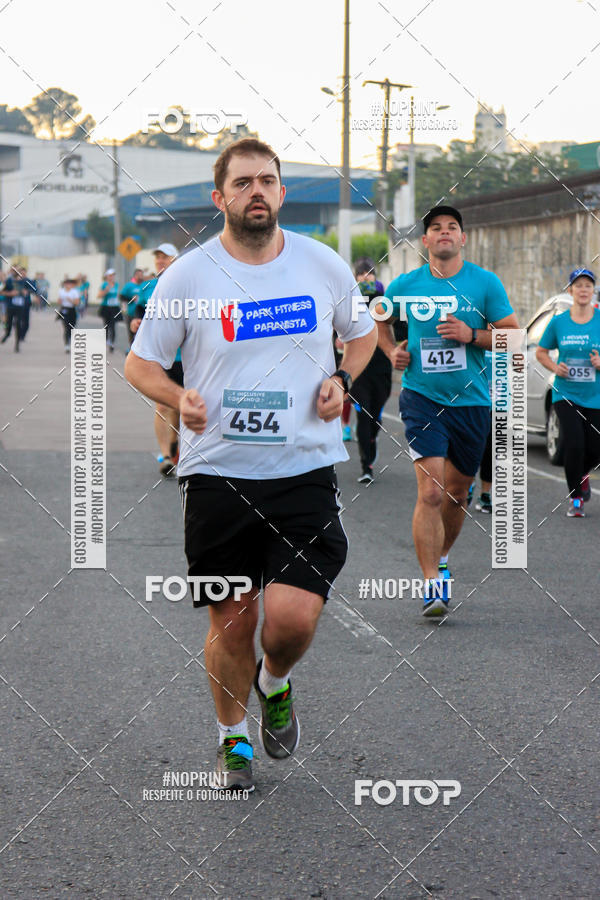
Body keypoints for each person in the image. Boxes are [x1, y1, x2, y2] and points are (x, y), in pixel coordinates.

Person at [125, 138, 376, 791]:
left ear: (282, 192)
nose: (256, 191)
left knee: (291, 620)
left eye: (267, 180)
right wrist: (178, 397)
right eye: (243, 183)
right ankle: (231, 739)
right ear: (221, 197)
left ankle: (276, 681)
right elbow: (140, 362)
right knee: (229, 618)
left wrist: (343, 379)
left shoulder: (322, 265)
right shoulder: (188, 276)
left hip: (304, 468)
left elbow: (364, 331)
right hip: (216, 474)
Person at [375, 205, 519, 616]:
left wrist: (471, 335)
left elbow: (513, 338)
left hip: (472, 401)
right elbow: (376, 317)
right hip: (422, 398)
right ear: (424, 241)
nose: (443, 233)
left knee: (457, 494)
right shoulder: (406, 284)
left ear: (462, 238)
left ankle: (441, 560)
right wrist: (391, 350)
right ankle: (431, 584)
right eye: (435, 228)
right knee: (432, 490)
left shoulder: (484, 283)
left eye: (451, 227)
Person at [536, 267, 600, 517]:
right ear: (570, 290)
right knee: (573, 444)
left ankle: (582, 476)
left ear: (593, 290)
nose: (583, 290)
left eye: (588, 285)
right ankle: (576, 500)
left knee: (595, 448)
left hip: (596, 395)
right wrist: (555, 367)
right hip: (566, 393)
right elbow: (541, 352)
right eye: (578, 285)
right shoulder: (559, 322)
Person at [129, 246, 180, 474]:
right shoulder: (148, 287)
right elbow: (139, 313)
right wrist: (135, 322)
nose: (160, 261)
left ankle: (175, 445)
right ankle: (166, 457)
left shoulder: (186, 283)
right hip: (159, 357)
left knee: (181, 405)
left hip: (185, 356)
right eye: (158, 257)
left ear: (175, 260)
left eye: (165, 257)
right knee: (162, 405)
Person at [351, 257, 392, 484]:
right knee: (364, 414)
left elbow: (401, 326)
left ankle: (372, 441)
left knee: (375, 416)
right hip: (359, 369)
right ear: (355, 278)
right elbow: (337, 329)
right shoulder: (349, 300)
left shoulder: (385, 301)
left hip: (381, 367)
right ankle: (366, 466)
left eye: (370, 274)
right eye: (361, 274)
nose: (366, 278)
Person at [1, 266, 27, 352]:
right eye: (16, 270)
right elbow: (1, 291)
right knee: (9, 323)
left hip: (20, 307)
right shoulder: (9, 281)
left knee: (18, 324)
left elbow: (33, 290)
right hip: (10, 306)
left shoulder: (24, 281)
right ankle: (7, 334)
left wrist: (26, 292)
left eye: (19, 271)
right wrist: (10, 293)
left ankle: (17, 344)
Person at [120, 268, 146, 345]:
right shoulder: (129, 285)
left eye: (142, 275)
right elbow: (121, 297)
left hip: (142, 315)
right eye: (139, 275)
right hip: (131, 313)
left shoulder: (144, 285)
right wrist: (131, 299)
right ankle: (131, 351)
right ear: (135, 276)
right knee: (131, 334)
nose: (141, 277)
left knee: (141, 335)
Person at [97, 269, 120, 351]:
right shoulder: (104, 284)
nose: (112, 277)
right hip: (106, 307)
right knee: (106, 325)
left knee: (113, 325)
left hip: (114, 307)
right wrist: (105, 291)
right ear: (107, 276)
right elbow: (99, 295)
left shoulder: (116, 284)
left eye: (113, 275)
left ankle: (112, 343)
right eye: (110, 275)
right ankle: (106, 340)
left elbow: (117, 295)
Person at [57, 277, 80, 352]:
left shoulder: (74, 292)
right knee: (66, 327)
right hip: (64, 310)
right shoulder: (61, 291)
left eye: (70, 284)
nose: (68, 285)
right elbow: (59, 301)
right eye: (67, 284)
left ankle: (69, 340)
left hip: (72, 310)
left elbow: (77, 303)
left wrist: (71, 300)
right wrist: (60, 300)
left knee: (71, 328)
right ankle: (66, 344)